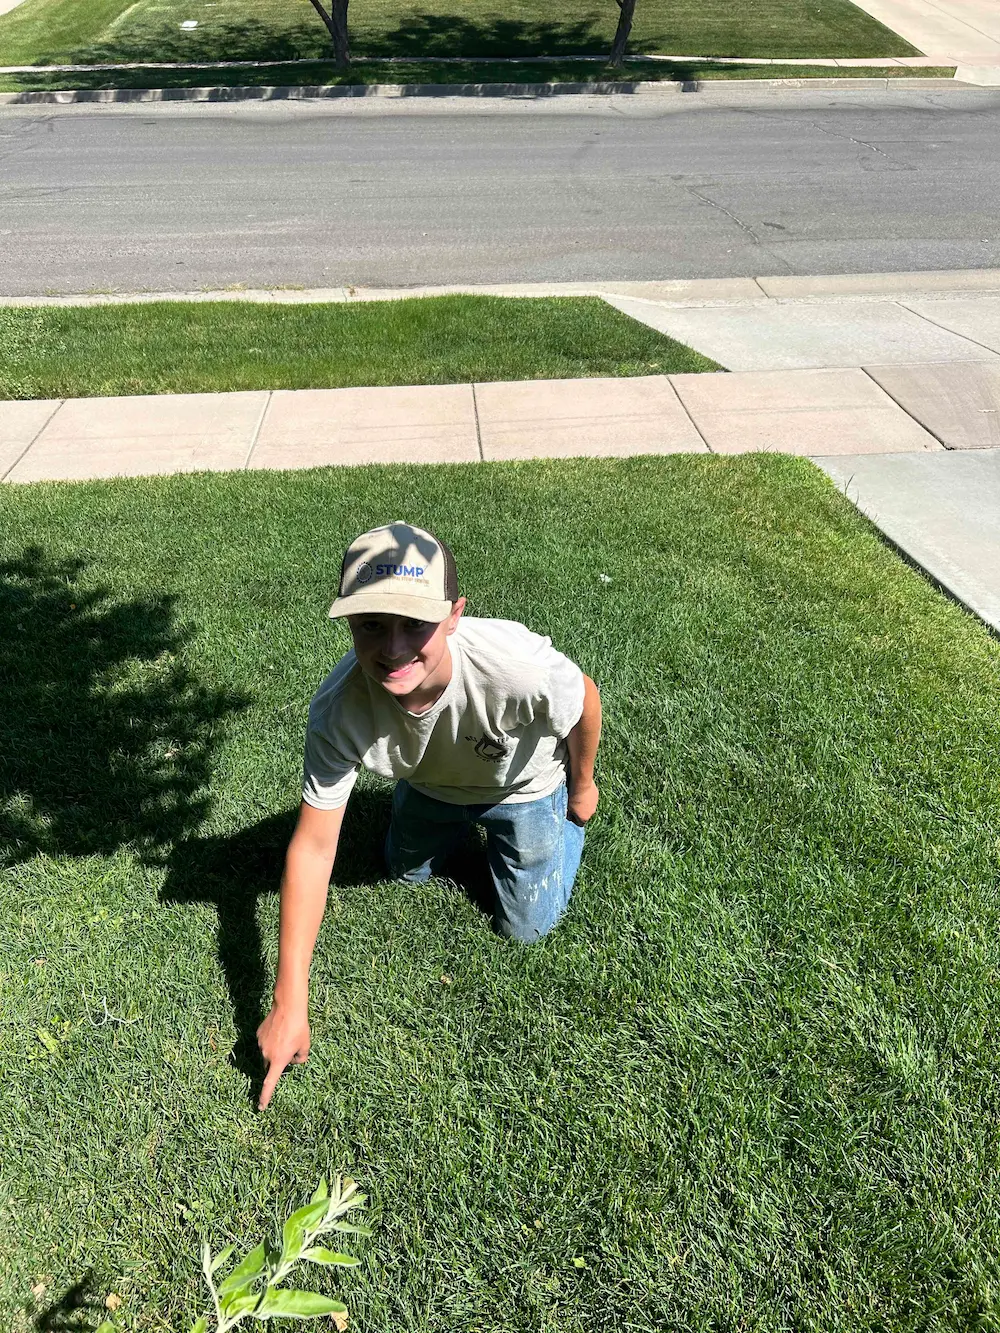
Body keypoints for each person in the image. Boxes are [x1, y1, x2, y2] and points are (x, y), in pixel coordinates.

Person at [256, 522, 602, 1110]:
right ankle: (430, 815)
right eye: (370, 626)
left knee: (526, 927)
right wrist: (290, 999)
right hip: (433, 786)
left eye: (414, 624)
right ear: (347, 622)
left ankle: (555, 831)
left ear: (453, 615)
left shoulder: (513, 668)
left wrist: (582, 785)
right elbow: (313, 848)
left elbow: (583, 701)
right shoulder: (339, 709)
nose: (392, 649)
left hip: (522, 786)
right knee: (401, 869)